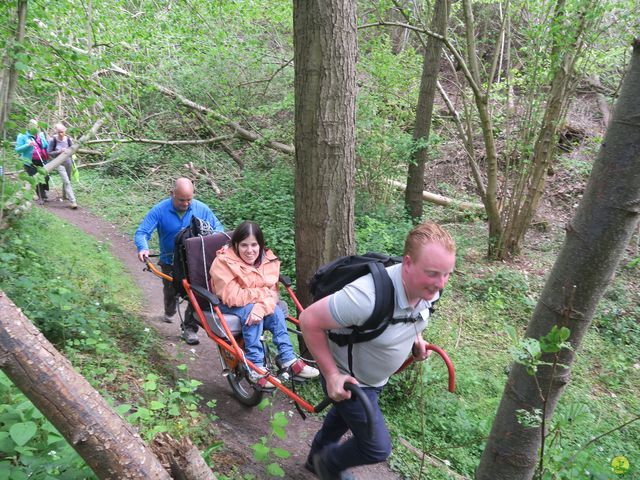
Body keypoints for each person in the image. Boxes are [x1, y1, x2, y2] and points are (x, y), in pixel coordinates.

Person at [300, 222, 456, 479]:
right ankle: (326, 464)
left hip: (374, 379)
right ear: (408, 264)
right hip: (351, 381)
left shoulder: (428, 290)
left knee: (341, 417)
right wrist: (331, 376)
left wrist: (416, 338)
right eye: (433, 274)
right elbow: (309, 320)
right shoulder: (366, 297)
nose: (440, 284)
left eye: (447, 274)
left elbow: (413, 315)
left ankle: (315, 457)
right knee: (377, 447)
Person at [210, 221, 319, 389]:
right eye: (244, 245)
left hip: (258, 305)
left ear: (260, 245)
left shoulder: (267, 260)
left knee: (275, 311)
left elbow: (273, 294)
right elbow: (233, 296)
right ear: (236, 245)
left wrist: (261, 306)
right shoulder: (223, 262)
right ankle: (255, 365)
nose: (250, 250)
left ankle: (287, 358)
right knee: (251, 312)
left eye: (254, 245)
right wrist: (263, 297)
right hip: (228, 304)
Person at [135, 177, 224, 345]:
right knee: (171, 291)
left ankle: (189, 328)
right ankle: (169, 308)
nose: (186, 204)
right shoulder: (159, 210)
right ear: (172, 194)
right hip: (169, 262)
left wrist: (213, 239)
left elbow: (218, 228)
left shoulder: (201, 208)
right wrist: (143, 247)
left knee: (195, 294)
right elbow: (142, 232)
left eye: (189, 199)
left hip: (194, 262)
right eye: (181, 200)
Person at [15, 119, 50, 204]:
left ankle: (43, 192)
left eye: (36, 126)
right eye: (32, 125)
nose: (34, 127)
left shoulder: (40, 134)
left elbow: (46, 146)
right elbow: (17, 150)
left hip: (42, 159)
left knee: (46, 177)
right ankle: (41, 197)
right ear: (29, 126)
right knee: (37, 178)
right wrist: (28, 145)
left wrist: (42, 140)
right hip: (29, 161)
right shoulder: (22, 135)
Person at [47, 122, 77, 209]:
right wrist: (58, 151)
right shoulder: (53, 140)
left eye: (62, 131)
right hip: (59, 163)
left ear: (65, 131)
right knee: (66, 181)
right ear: (56, 131)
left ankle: (65, 195)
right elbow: (49, 152)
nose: (61, 133)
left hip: (68, 161)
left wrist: (68, 151)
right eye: (59, 132)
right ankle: (73, 201)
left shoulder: (68, 139)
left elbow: (73, 149)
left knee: (68, 179)